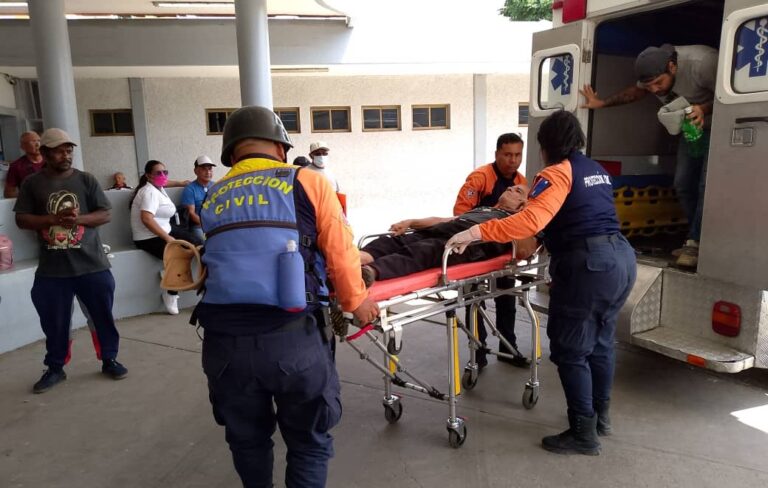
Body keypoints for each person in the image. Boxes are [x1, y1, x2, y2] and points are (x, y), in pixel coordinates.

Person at [195, 105, 379, 488]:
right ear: (280, 148)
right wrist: (357, 303)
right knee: (308, 442)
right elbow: (341, 253)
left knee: (247, 441)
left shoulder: (212, 194)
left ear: (232, 154)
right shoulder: (308, 181)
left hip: (224, 345)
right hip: (293, 338)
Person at [448, 111, 637, 455]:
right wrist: (534, 239)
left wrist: (475, 232)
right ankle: (601, 417)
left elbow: (530, 220)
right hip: (620, 259)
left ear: (546, 144)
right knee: (601, 342)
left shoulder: (554, 173)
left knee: (570, 349)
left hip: (588, 266)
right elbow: (572, 216)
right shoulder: (595, 170)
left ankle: (583, 433)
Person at [580, 44, 717, 268]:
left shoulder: (703, 63)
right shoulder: (652, 78)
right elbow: (637, 92)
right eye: (649, 85)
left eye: (658, 83)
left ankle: (696, 242)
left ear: (672, 67)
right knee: (683, 183)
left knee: (705, 185)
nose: (654, 90)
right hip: (691, 129)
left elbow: (730, 94)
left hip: (717, 126)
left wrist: (703, 109)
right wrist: (601, 103)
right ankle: (696, 237)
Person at [13, 128, 128, 393]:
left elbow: (105, 213)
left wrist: (78, 220)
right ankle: (55, 367)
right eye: (59, 151)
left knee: (101, 317)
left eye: (69, 150)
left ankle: (109, 359)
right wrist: (52, 220)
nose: (66, 155)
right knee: (54, 322)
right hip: (52, 269)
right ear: (44, 153)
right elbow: (21, 219)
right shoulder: (32, 183)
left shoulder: (86, 180)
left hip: (92, 264)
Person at [454, 133, 529, 368]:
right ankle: (478, 351)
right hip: (475, 248)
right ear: (497, 154)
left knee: (507, 297)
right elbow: (459, 214)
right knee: (474, 299)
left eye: (517, 155)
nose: (513, 160)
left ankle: (508, 347)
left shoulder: (521, 183)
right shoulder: (480, 178)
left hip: (503, 250)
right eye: (507, 155)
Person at [361, 184, 534, 285]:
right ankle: (358, 258)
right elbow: (443, 219)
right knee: (394, 240)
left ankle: (371, 272)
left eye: (517, 191)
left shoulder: (514, 222)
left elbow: (525, 251)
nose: (511, 188)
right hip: (450, 228)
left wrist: (522, 216)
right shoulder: (483, 209)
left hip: (470, 243)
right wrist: (411, 222)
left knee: (425, 250)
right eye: (511, 187)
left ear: (522, 204)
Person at [129, 160, 184, 315]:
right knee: (177, 255)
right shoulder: (149, 192)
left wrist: (181, 182)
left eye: (165, 172)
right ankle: (171, 292)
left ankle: (169, 274)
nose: (163, 176)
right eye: (158, 173)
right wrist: (167, 238)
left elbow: (166, 183)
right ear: (148, 176)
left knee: (198, 243)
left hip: (165, 229)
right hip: (147, 237)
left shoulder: (158, 187)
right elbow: (146, 219)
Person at [180, 155, 216, 242]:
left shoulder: (216, 186)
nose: (208, 172)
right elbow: (191, 214)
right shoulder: (190, 189)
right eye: (204, 169)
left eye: (210, 169)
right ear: (195, 171)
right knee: (205, 243)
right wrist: (207, 225)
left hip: (215, 225)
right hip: (198, 227)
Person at [4, 131, 43, 198]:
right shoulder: (16, 166)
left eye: (39, 141)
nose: (38, 144)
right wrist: (26, 197)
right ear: (23, 146)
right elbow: (8, 193)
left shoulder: (51, 161)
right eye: (33, 141)